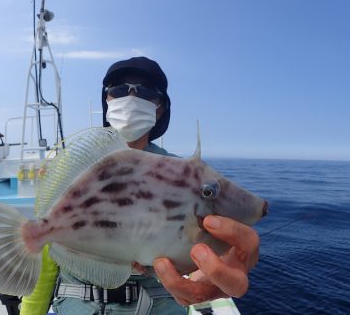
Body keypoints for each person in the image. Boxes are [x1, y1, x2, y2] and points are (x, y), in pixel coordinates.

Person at [20, 57, 260, 315]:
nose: (131, 96)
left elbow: (196, 243)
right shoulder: (71, 165)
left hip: (159, 306)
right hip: (77, 305)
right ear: (107, 100)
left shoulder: (184, 173)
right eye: (118, 90)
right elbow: (48, 254)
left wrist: (216, 263)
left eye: (145, 92)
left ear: (159, 108)